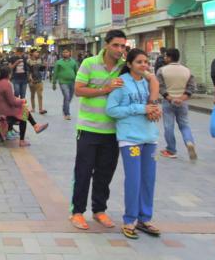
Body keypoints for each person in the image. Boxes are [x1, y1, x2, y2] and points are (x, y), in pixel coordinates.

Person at [70, 29, 160, 231]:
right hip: (89, 127)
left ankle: (99, 210)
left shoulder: (125, 65)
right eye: (116, 45)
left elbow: (153, 80)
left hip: (114, 131)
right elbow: (78, 90)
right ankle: (77, 212)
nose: (120, 50)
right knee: (83, 171)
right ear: (106, 44)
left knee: (105, 173)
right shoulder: (89, 63)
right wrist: (105, 89)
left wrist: (153, 104)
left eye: (122, 46)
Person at [106, 48, 162, 240]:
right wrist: (141, 108)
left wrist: (155, 110)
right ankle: (129, 220)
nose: (144, 65)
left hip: (150, 138)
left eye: (146, 62)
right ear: (129, 64)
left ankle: (145, 218)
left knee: (149, 180)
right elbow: (112, 110)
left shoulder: (148, 83)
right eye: (139, 62)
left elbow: (153, 100)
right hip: (130, 139)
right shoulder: (121, 83)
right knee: (134, 179)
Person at [0, 65, 48, 147]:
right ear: (8, 74)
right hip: (4, 112)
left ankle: (35, 127)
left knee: (24, 111)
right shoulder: (6, 84)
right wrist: (22, 101)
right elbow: (12, 101)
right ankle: (26, 136)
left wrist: (20, 101)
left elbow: (9, 98)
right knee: (23, 115)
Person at [156, 48, 197, 160]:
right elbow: (192, 87)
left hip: (168, 102)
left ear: (169, 57)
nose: (164, 58)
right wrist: (182, 98)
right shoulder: (187, 70)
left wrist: (170, 98)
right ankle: (189, 142)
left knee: (169, 126)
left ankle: (171, 150)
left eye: (165, 56)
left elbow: (160, 86)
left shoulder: (161, 70)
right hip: (183, 102)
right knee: (184, 125)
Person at [53, 49, 78, 120]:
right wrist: (54, 83)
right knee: (67, 96)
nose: (65, 53)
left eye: (66, 52)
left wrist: (78, 82)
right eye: (63, 52)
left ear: (69, 53)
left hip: (72, 82)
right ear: (62, 54)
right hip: (63, 82)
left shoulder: (73, 62)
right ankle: (67, 114)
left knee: (70, 97)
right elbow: (55, 72)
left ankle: (65, 107)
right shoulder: (59, 62)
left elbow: (77, 72)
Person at [27, 49, 45, 114]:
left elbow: (41, 70)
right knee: (32, 95)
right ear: (32, 53)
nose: (37, 53)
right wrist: (29, 78)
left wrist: (44, 66)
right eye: (36, 52)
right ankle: (33, 108)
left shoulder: (39, 60)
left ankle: (40, 109)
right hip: (32, 80)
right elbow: (28, 71)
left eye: (37, 52)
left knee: (40, 95)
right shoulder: (28, 61)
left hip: (39, 79)